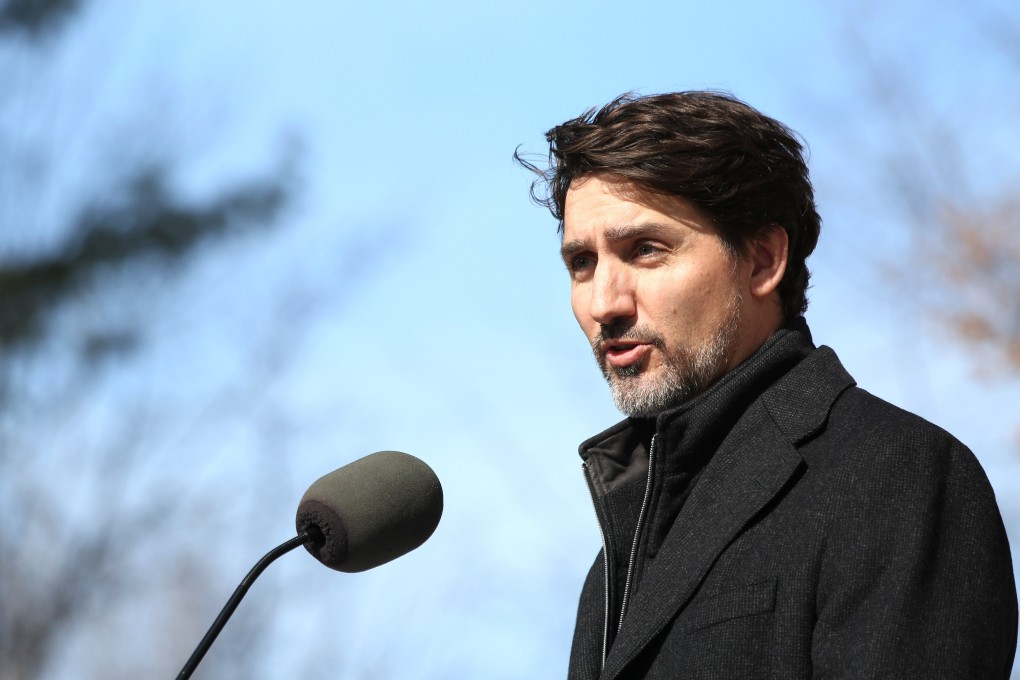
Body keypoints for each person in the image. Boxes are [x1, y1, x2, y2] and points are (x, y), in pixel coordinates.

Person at [518, 91, 1018, 679]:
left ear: (761, 260)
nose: (604, 302)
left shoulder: (892, 473)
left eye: (646, 250)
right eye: (582, 263)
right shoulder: (614, 570)